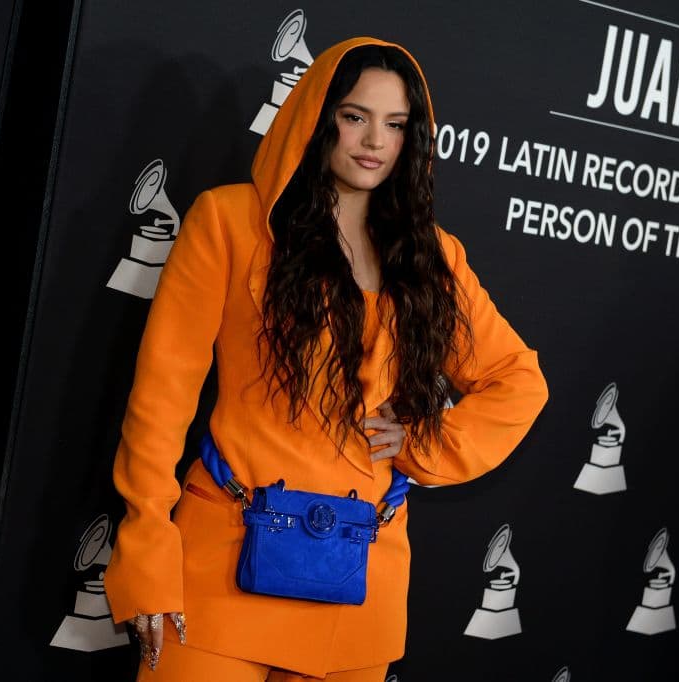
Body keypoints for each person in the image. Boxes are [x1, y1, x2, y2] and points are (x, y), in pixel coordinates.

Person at [104, 36, 548, 681]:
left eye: (395, 124)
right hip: (220, 570)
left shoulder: (433, 257)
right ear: (318, 117)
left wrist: (427, 443)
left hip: (359, 583)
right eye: (355, 116)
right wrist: (146, 545)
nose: (374, 140)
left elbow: (519, 380)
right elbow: (161, 396)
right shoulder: (231, 222)